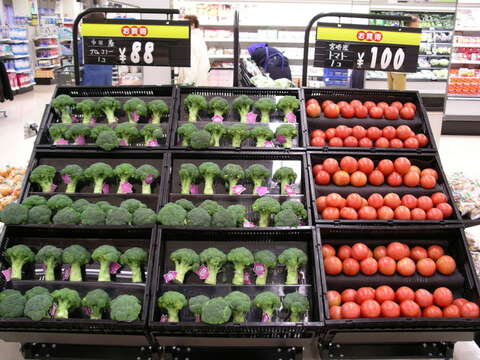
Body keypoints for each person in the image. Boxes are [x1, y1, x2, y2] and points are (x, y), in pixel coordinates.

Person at [78, 12, 113, 86]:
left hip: (91, 79)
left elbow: (79, 60)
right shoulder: (109, 41)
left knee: (92, 96)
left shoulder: (84, 42)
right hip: (106, 78)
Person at [387, 16, 420, 91]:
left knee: (391, 89)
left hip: (391, 65)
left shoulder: (399, 31)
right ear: (411, 23)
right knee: (399, 91)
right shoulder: (409, 34)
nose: (418, 24)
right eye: (417, 22)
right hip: (399, 67)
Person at [177, 15, 210, 86]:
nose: (182, 26)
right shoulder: (197, 37)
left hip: (191, 79)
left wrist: (187, 82)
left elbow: (192, 64)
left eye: (185, 24)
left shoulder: (193, 39)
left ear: (192, 25)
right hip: (196, 78)